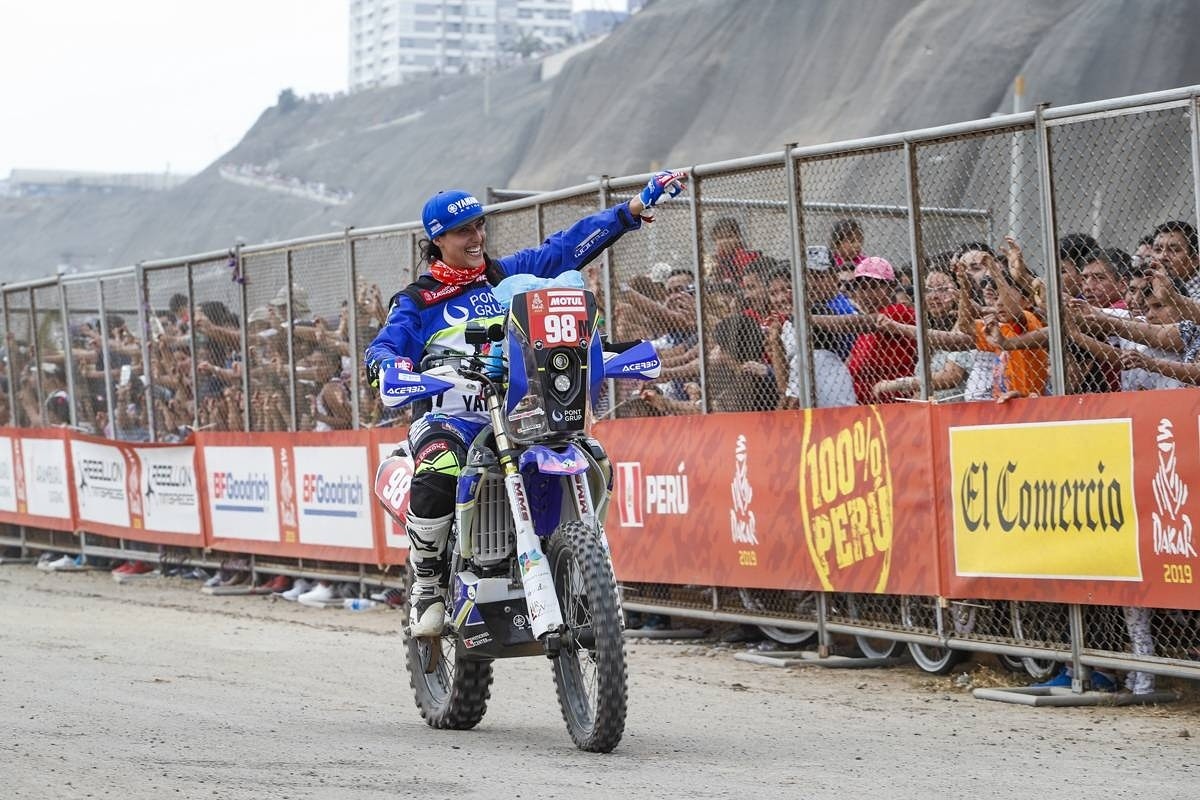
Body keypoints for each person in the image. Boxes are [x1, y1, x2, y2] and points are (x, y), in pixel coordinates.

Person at [364, 171, 687, 636]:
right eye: (463, 231)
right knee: (439, 469)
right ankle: (428, 586)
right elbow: (384, 346)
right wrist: (387, 368)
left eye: (479, 226)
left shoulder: (511, 275)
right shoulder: (418, 301)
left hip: (522, 413)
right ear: (437, 240)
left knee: (592, 456)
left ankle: (579, 566)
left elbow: (566, 247)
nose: (476, 237)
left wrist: (631, 210)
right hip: (452, 417)